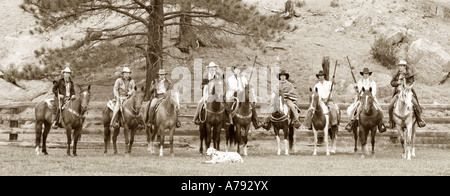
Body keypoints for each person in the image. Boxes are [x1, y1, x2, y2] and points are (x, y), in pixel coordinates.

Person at [386, 60, 426, 128]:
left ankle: (420, 120)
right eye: (399, 66)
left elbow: (411, 82)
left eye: (401, 66)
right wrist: (397, 83)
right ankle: (390, 121)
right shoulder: (397, 75)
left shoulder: (409, 75)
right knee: (390, 106)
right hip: (398, 93)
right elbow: (392, 83)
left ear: (405, 67)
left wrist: (407, 85)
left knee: (415, 104)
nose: (400, 67)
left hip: (407, 93)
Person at [345, 68, 386, 132]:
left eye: (367, 74)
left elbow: (374, 91)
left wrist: (370, 96)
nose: (365, 75)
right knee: (353, 109)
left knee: (380, 110)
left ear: (369, 74)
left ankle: (380, 125)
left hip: (370, 99)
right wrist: (357, 89)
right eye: (364, 74)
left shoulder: (372, 82)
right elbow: (359, 91)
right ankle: (351, 123)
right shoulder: (360, 82)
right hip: (362, 99)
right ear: (363, 74)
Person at [225, 64, 261, 129]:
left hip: (242, 95)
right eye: (236, 70)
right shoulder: (230, 78)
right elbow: (231, 86)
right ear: (234, 70)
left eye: (238, 70)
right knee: (229, 105)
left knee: (252, 106)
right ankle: (228, 120)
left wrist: (248, 85)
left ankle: (255, 122)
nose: (237, 71)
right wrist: (238, 89)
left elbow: (247, 86)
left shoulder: (243, 78)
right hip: (233, 94)